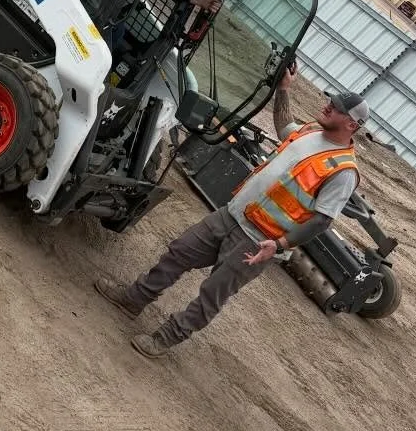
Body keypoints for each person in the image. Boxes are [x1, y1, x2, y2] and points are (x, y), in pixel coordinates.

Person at [95, 76, 370, 358]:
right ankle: (134, 299)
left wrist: (278, 246)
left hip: (258, 241)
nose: (327, 107)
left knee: (211, 295)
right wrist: (284, 89)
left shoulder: (343, 171)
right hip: (233, 214)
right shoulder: (311, 129)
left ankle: (165, 338)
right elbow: (284, 126)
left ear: (351, 124)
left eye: (335, 108)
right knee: (179, 252)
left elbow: (323, 220)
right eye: (330, 101)